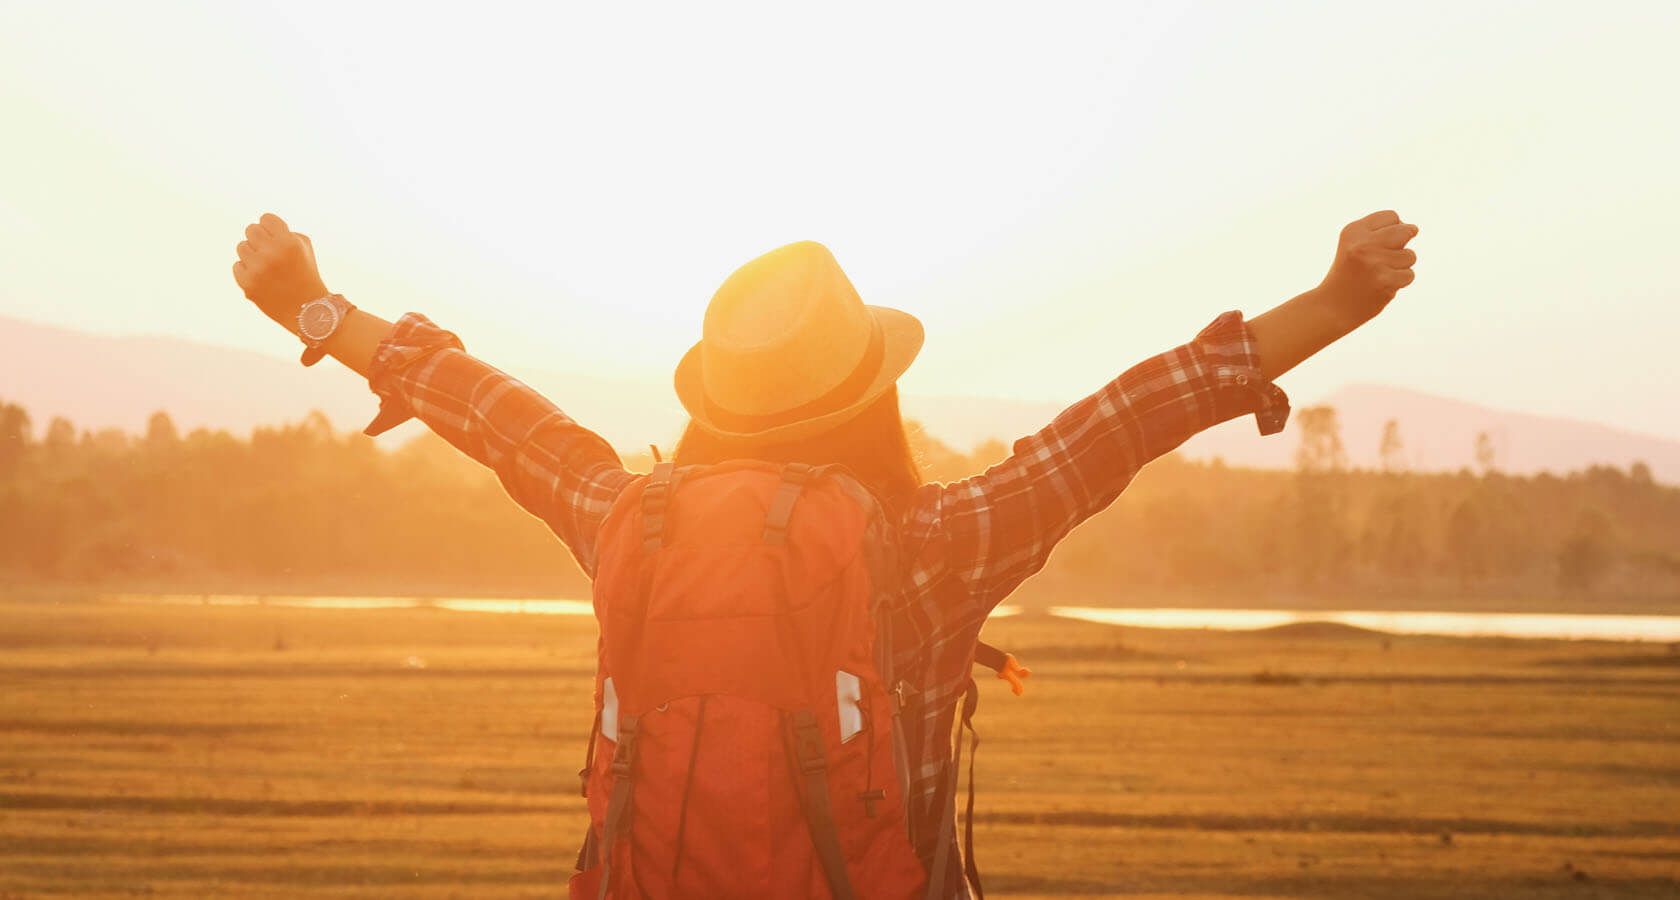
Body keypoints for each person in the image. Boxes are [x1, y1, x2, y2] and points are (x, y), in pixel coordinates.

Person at [230, 211, 1418, 898]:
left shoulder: (627, 518)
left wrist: (317, 311)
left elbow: (494, 411)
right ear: (873, 395)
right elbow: (1125, 419)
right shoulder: (934, 547)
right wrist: (1332, 304)